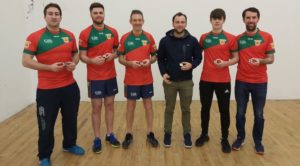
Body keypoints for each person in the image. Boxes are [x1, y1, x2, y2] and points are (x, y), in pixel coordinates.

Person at [22, 3, 84, 166]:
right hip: (47, 91)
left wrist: (74, 63)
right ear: (45, 17)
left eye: (57, 13)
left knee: (70, 119)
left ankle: (69, 145)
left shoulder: (69, 35)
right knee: (46, 125)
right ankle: (44, 156)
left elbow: (75, 54)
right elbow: (26, 61)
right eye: (50, 13)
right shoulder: (34, 37)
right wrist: (48, 68)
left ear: (61, 17)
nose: (54, 16)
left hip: (70, 87)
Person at [232, 7, 275, 155]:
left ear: (258, 19)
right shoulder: (237, 39)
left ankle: (258, 141)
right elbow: (234, 58)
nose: (251, 20)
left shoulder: (267, 37)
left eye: (253, 17)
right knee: (240, 113)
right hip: (241, 81)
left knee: (258, 114)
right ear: (243, 19)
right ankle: (240, 137)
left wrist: (261, 61)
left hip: (260, 82)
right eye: (248, 18)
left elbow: (271, 59)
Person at [195, 8, 239, 153]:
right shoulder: (204, 37)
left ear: (223, 20)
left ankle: (224, 139)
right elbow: (196, 54)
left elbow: (236, 58)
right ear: (211, 20)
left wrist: (225, 63)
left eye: (219, 18)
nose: (217, 20)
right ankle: (204, 134)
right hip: (206, 80)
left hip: (223, 81)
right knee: (205, 108)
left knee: (224, 110)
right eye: (214, 18)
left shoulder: (231, 38)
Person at [79, 2, 120, 154]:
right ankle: (97, 138)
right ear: (91, 15)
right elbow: (82, 56)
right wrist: (91, 60)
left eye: (100, 12)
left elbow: (118, 52)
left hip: (110, 76)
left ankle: (110, 134)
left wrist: (112, 55)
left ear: (104, 14)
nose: (98, 15)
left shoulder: (113, 32)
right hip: (94, 77)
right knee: (96, 107)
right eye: (95, 13)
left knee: (110, 105)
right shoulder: (84, 33)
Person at [157, 12, 202, 148]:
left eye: (182, 22)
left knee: (186, 109)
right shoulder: (164, 41)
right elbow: (160, 59)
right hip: (170, 81)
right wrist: (163, 73)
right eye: (177, 22)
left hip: (186, 82)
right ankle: (167, 133)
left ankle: (187, 134)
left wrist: (191, 65)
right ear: (173, 24)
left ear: (186, 24)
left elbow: (199, 58)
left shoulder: (193, 41)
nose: (180, 24)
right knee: (169, 109)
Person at [118, 9, 159, 149]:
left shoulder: (149, 37)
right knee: (130, 106)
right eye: (134, 20)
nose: (137, 22)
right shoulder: (124, 38)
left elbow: (154, 56)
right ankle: (129, 133)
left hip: (146, 79)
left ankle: (150, 132)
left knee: (148, 106)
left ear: (143, 21)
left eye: (139, 20)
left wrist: (150, 61)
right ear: (130, 22)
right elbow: (120, 58)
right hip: (131, 80)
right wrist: (130, 63)